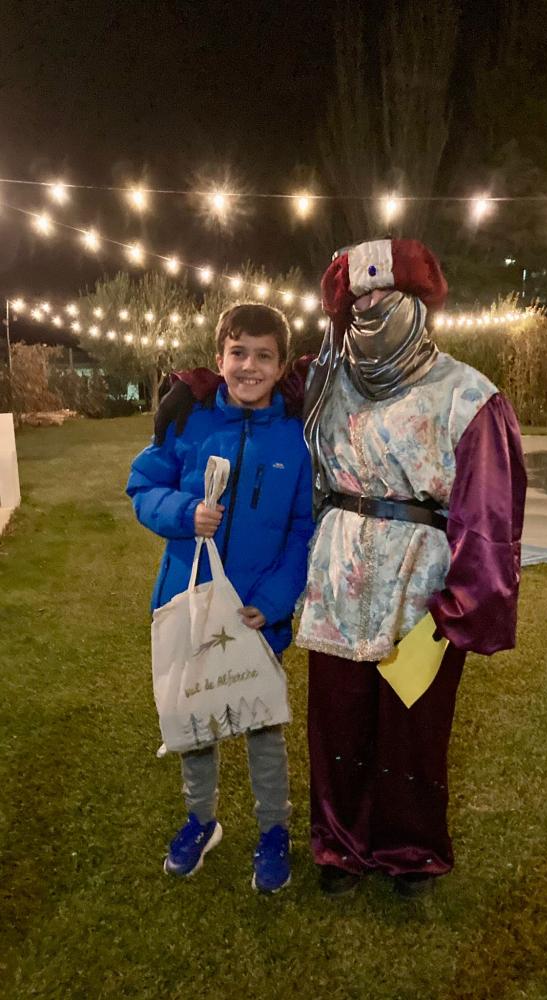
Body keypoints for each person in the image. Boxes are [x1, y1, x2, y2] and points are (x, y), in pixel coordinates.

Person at [154, 237, 527, 899]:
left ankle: (409, 851)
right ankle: (341, 847)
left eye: (388, 295)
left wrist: (465, 604)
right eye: (360, 298)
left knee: (412, 728)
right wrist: (197, 385)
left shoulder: (468, 396)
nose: (373, 308)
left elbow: (490, 514)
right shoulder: (326, 377)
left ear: (417, 301)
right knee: (338, 720)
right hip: (336, 578)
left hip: (419, 583)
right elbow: (254, 376)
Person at [127, 302, 314, 894]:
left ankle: (273, 830)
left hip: (255, 613)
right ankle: (200, 820)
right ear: (220, 357)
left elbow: (303, 529)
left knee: (262, 725)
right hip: (191, 602)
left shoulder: (296, 439)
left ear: (281, 366)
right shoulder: (190, 423)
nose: (249, 366)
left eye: (263, 356)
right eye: (238, 353)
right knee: (196, 719)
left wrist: (276, 599)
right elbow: (141, 486)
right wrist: (185, 512)